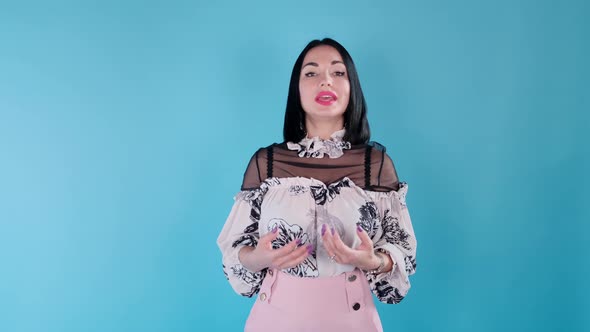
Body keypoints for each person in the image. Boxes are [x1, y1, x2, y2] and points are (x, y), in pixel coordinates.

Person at [217, 38, 417, 332]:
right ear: (296, 89)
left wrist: (372, 260)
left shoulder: (375, 165)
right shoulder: (266, 163)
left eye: (338, 73)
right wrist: (259, 257)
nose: (325, 81)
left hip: (353, 320)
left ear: (352, 88)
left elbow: (404, 254)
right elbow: (235, 252)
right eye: (311, 73)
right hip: (274, 319)